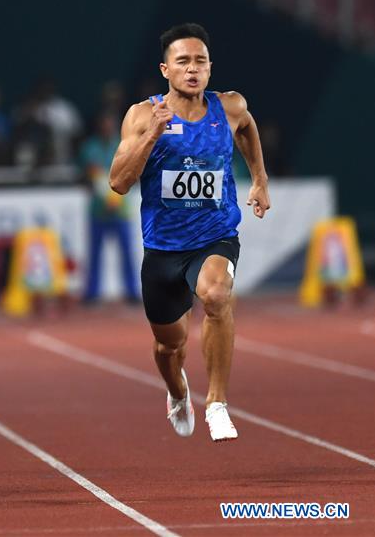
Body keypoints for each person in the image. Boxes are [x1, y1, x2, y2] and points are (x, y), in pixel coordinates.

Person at [109, 23, 270, 442]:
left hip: (214, 234)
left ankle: (217, 403)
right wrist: (153, 136)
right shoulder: (143, 115)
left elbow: (248, 128)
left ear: (210, 67)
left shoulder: (229, 107)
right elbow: (118, 182)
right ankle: (178, 392)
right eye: (183, 61)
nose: (192, 69)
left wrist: (259, 178)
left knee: (217, 296)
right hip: (162, 248)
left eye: (200, 61)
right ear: (166, 69)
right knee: (169, 347)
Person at [77, 111, 139, 304]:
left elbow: (133, 172)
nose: (107, 127)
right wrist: (93, 182)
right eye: (104, 123)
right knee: (95, 252)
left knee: (127, 252)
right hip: (98, 209)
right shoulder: (89, 148)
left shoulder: (124, 144)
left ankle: (131, 291)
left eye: (110, 123)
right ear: (99, 125)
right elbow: (83, 175)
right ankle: (92, 292)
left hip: (120, 209)